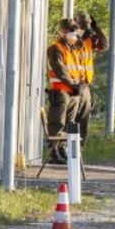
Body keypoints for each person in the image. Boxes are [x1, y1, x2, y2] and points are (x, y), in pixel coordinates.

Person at [46, 19, 85, 162]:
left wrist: (80, 84)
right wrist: (74, 84)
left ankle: (62, 150)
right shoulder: (56, 48)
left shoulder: (74, 49)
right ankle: (54, 152)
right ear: (62, 31)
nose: (73, 33)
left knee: (70, 123)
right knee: (58, 122)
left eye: (74, 30)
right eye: (70, 30)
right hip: (61, 91)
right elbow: (60, 70)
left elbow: (80, 69)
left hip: (73, 92)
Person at [73, 11, 108, 143]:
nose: (84, 27)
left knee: (84, 119)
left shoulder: (89, 39)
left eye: (86, 25)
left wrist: (96, 28)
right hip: (71, 84)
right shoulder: (71, 37)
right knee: (70, 119)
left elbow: (104, 45)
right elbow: (73, 47)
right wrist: (81, 35)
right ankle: (63, 150)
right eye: (82, 25)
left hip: (84, 85)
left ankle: (80, 149)